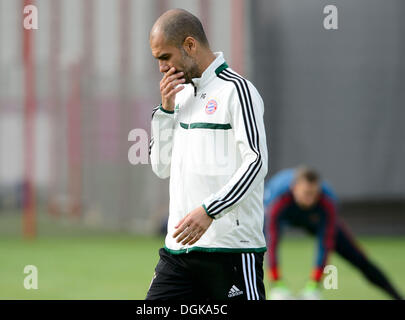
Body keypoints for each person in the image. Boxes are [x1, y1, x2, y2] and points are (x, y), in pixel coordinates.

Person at [146, 8, 268, 300]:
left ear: (190, 45)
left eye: (165, 57)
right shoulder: (180, 95)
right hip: (178, 255)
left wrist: (210, 210)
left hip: (232, 252)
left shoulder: (238, 91)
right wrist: (164, 111)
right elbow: (161, 167)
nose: (161, 67)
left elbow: (256, 162)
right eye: (157, 60)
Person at [264, 167, 403, 300]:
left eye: (314, 194)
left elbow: (325, 243)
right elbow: (272, 240)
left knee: (359, 258)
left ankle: (398, 296)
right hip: (275, 218)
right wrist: (277, 283)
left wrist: (314, 285)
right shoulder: (278, 198)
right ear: (294, 188)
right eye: (306, 194)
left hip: (315, 221)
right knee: (257, 249)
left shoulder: (327, 200)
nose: (310, 200)